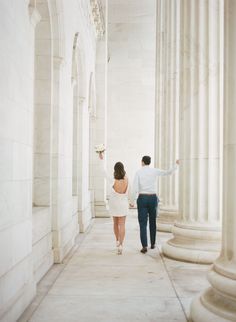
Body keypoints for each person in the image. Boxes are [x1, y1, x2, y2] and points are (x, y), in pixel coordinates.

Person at [130, 156, 179, 254]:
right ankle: (152, 244)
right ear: (149, 162)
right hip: (153, 198)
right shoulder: (154, 171)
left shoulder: (138, 172)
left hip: (142, 198)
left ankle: (144, 246)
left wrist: (132, 201)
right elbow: (167, 172)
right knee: (153, 222)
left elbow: (135, 188)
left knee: (143, 223)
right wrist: (176, 165)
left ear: (142, 162)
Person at [98, 152, 130, 255]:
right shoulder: (127, 179)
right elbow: (131, 191)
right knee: (122, 224)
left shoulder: (113, 180)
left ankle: (117, 240)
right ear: (123, 169)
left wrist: (101, 159)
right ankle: (121, 244)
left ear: (115, 170)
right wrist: (132, 202)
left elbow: (103, 172)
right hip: (123, 204)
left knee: (115, 223)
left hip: (114, 204)